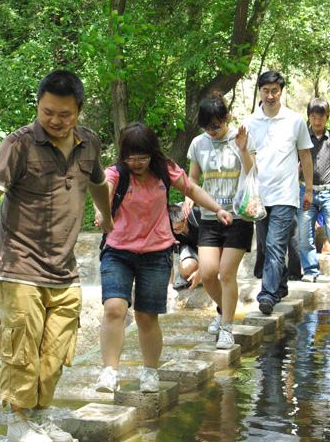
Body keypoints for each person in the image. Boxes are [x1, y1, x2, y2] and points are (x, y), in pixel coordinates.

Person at [0, 70, 113, 442]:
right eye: (47, 111)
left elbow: (99, 183)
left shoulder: (90, 144)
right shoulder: (18, 144)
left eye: (64, 114)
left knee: (55, 351)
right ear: (38, 105)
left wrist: (108, 218)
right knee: (21, 348)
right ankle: (17, 423)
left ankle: (40, 416)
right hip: (19, 264)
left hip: (65, 271)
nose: (54, 120)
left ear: (78, 111)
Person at [93, 122, 232, 394]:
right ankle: (109, 372)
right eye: (131, 157)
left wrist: (217, 209)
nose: (137, 163)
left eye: (142, 157)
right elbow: (103, 193)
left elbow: (191, 189)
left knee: (146, 316)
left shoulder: (165, 170)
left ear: (152, 153)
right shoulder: (116, 173)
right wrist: (101, 214)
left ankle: (149, 372)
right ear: (123, 155)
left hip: (156, 254)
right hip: (118, 251)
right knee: (114, 308)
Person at [187, 95, 254, 348]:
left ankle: (227, 327)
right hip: (209, 216)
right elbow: (193, 178)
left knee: (226, 273)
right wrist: (189, 196)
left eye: (216, 126)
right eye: (207, 128)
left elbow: (252, 172)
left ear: (225, 118)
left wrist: (244, 149)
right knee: (207, 273)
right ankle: (221, 310)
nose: (212, 132)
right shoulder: (197, 144)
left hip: (238, 216)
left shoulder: (240, 137)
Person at [246, 70, 313, 315]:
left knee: (274, 245)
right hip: (260, 196)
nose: (271, 95)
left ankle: (267, 295)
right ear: (260, 92)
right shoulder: (250, 123)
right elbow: (247, 159)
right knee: (266, 245)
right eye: (266, 90)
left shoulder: (294, 121)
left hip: (285, 194)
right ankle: (281, 284)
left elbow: (305, 155)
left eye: (275, 90)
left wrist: (309, 190)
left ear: (281, 92)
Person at [298, 98, 330, 283]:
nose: (317, 121)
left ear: (327, 117)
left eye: (321, 117)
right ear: (309, 117)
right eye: (313, 117)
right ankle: (310, 270)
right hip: (306, 191)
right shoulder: (302, 139)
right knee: (304, 234)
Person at [169, 203, 201, 291]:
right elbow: (169, 257)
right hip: (188, 249)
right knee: (187, 268)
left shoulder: (196, 217)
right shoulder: (168, 230)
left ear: (185, 220)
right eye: (174, 229)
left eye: (179, 227)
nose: (177, 231)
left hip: (206, 247)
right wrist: (170, 285)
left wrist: (202, 270)